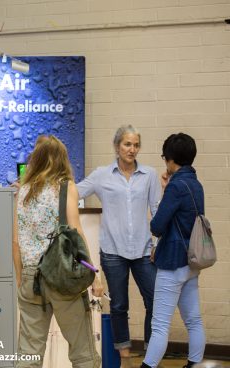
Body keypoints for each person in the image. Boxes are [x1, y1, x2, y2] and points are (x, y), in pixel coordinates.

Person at [13, 135, 103, 368]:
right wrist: (96, 274)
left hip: (31, 277)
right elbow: (76, 233)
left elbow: (16, 242)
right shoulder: (66, 187)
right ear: (62, 159)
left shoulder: (23, 190)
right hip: (62, 275)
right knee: (82, 350)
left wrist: (20, 278)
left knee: (28, 353)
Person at [77, 124, 160, 366]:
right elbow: (74, 192)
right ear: (117, 146)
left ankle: (151, 355)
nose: (132, 149)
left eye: (136, 145)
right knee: (119, 305)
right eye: (127, 144)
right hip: (113, 251)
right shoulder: (102, 175)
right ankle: (124, 357)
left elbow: (157, 211)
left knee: (155, 300)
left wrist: (158, 243)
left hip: (144, 250)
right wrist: (36, 185)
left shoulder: (149, 175)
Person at [141, 133, 206, 368]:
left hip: (172, 263)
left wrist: (165, 192)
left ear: (170, 159)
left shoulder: (176, 186)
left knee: (159, 325)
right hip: (191, 263)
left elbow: (157, 225)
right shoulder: (196, 184)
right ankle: (194, 364)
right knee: (194, 320)